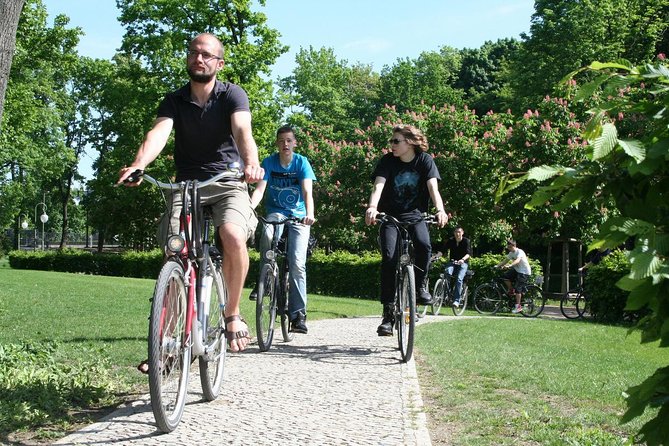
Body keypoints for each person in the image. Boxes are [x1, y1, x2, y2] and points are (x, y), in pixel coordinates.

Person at [117, 32, 263, 354]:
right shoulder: (173, 100)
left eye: (207, 55)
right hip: (186, 185)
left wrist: (251, 163)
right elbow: (158, 133)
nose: (199, 58)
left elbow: (243, 131)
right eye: (194, 53)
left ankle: (232, 314)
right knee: (174, 252)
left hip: (227, 181)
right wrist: (138, 164)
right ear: (188, 59)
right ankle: (165, 345)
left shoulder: (232, 95)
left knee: (233, 236)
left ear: (219, 63)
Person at [365, 124, 448, 336]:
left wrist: (440, 210)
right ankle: (388, 314)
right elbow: (378, 185)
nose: (391, 145)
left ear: (410, 142)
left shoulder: (425, 160)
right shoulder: (387, 161)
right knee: (389, 258)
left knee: (424, 244)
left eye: (396, 141)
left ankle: (420, 288)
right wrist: (373, 207)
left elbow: (433, 188)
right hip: (390, 217)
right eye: (391, 141)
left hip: (415, 216)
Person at [250, 125, 316, 334]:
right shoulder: (269, 162)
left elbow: (307, 192)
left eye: (289, 140)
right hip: (275, 212)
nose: (285, 144)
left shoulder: (301, 162)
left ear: (294, 143)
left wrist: (309, 214)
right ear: (277, 143)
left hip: (298, 216)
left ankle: (298, 315)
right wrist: (249, 208)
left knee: (297, 263)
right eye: (281, 140)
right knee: (268, 234)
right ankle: (265, 280)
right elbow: (260, 189)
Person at [432, 226, 472, 307]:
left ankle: (456, 300)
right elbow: (443, 251)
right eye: (456, 232)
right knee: (447, 273)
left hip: (463, 263)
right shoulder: (451, 241)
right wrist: (436, 257)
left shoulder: (466, 241)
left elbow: (468, 254)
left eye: (459, 232)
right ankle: (446, 295)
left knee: (459, 279)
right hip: (453, 262)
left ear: (462, 233)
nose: (457, 234)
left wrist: (462, 260)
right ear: (454, 233)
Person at [495, 239, 532, 314]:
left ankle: (518, 307)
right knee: (505, 277)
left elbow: (517, 260)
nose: (508, 249)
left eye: (509, 247)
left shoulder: (520, 252)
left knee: (518, 289)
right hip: (517, 270)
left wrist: (510, 265)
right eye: (508, 247)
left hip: (524, 272)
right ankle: (511, 290)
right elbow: (505, 260)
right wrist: (497, 266)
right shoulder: (511, 253)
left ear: (513, 246)